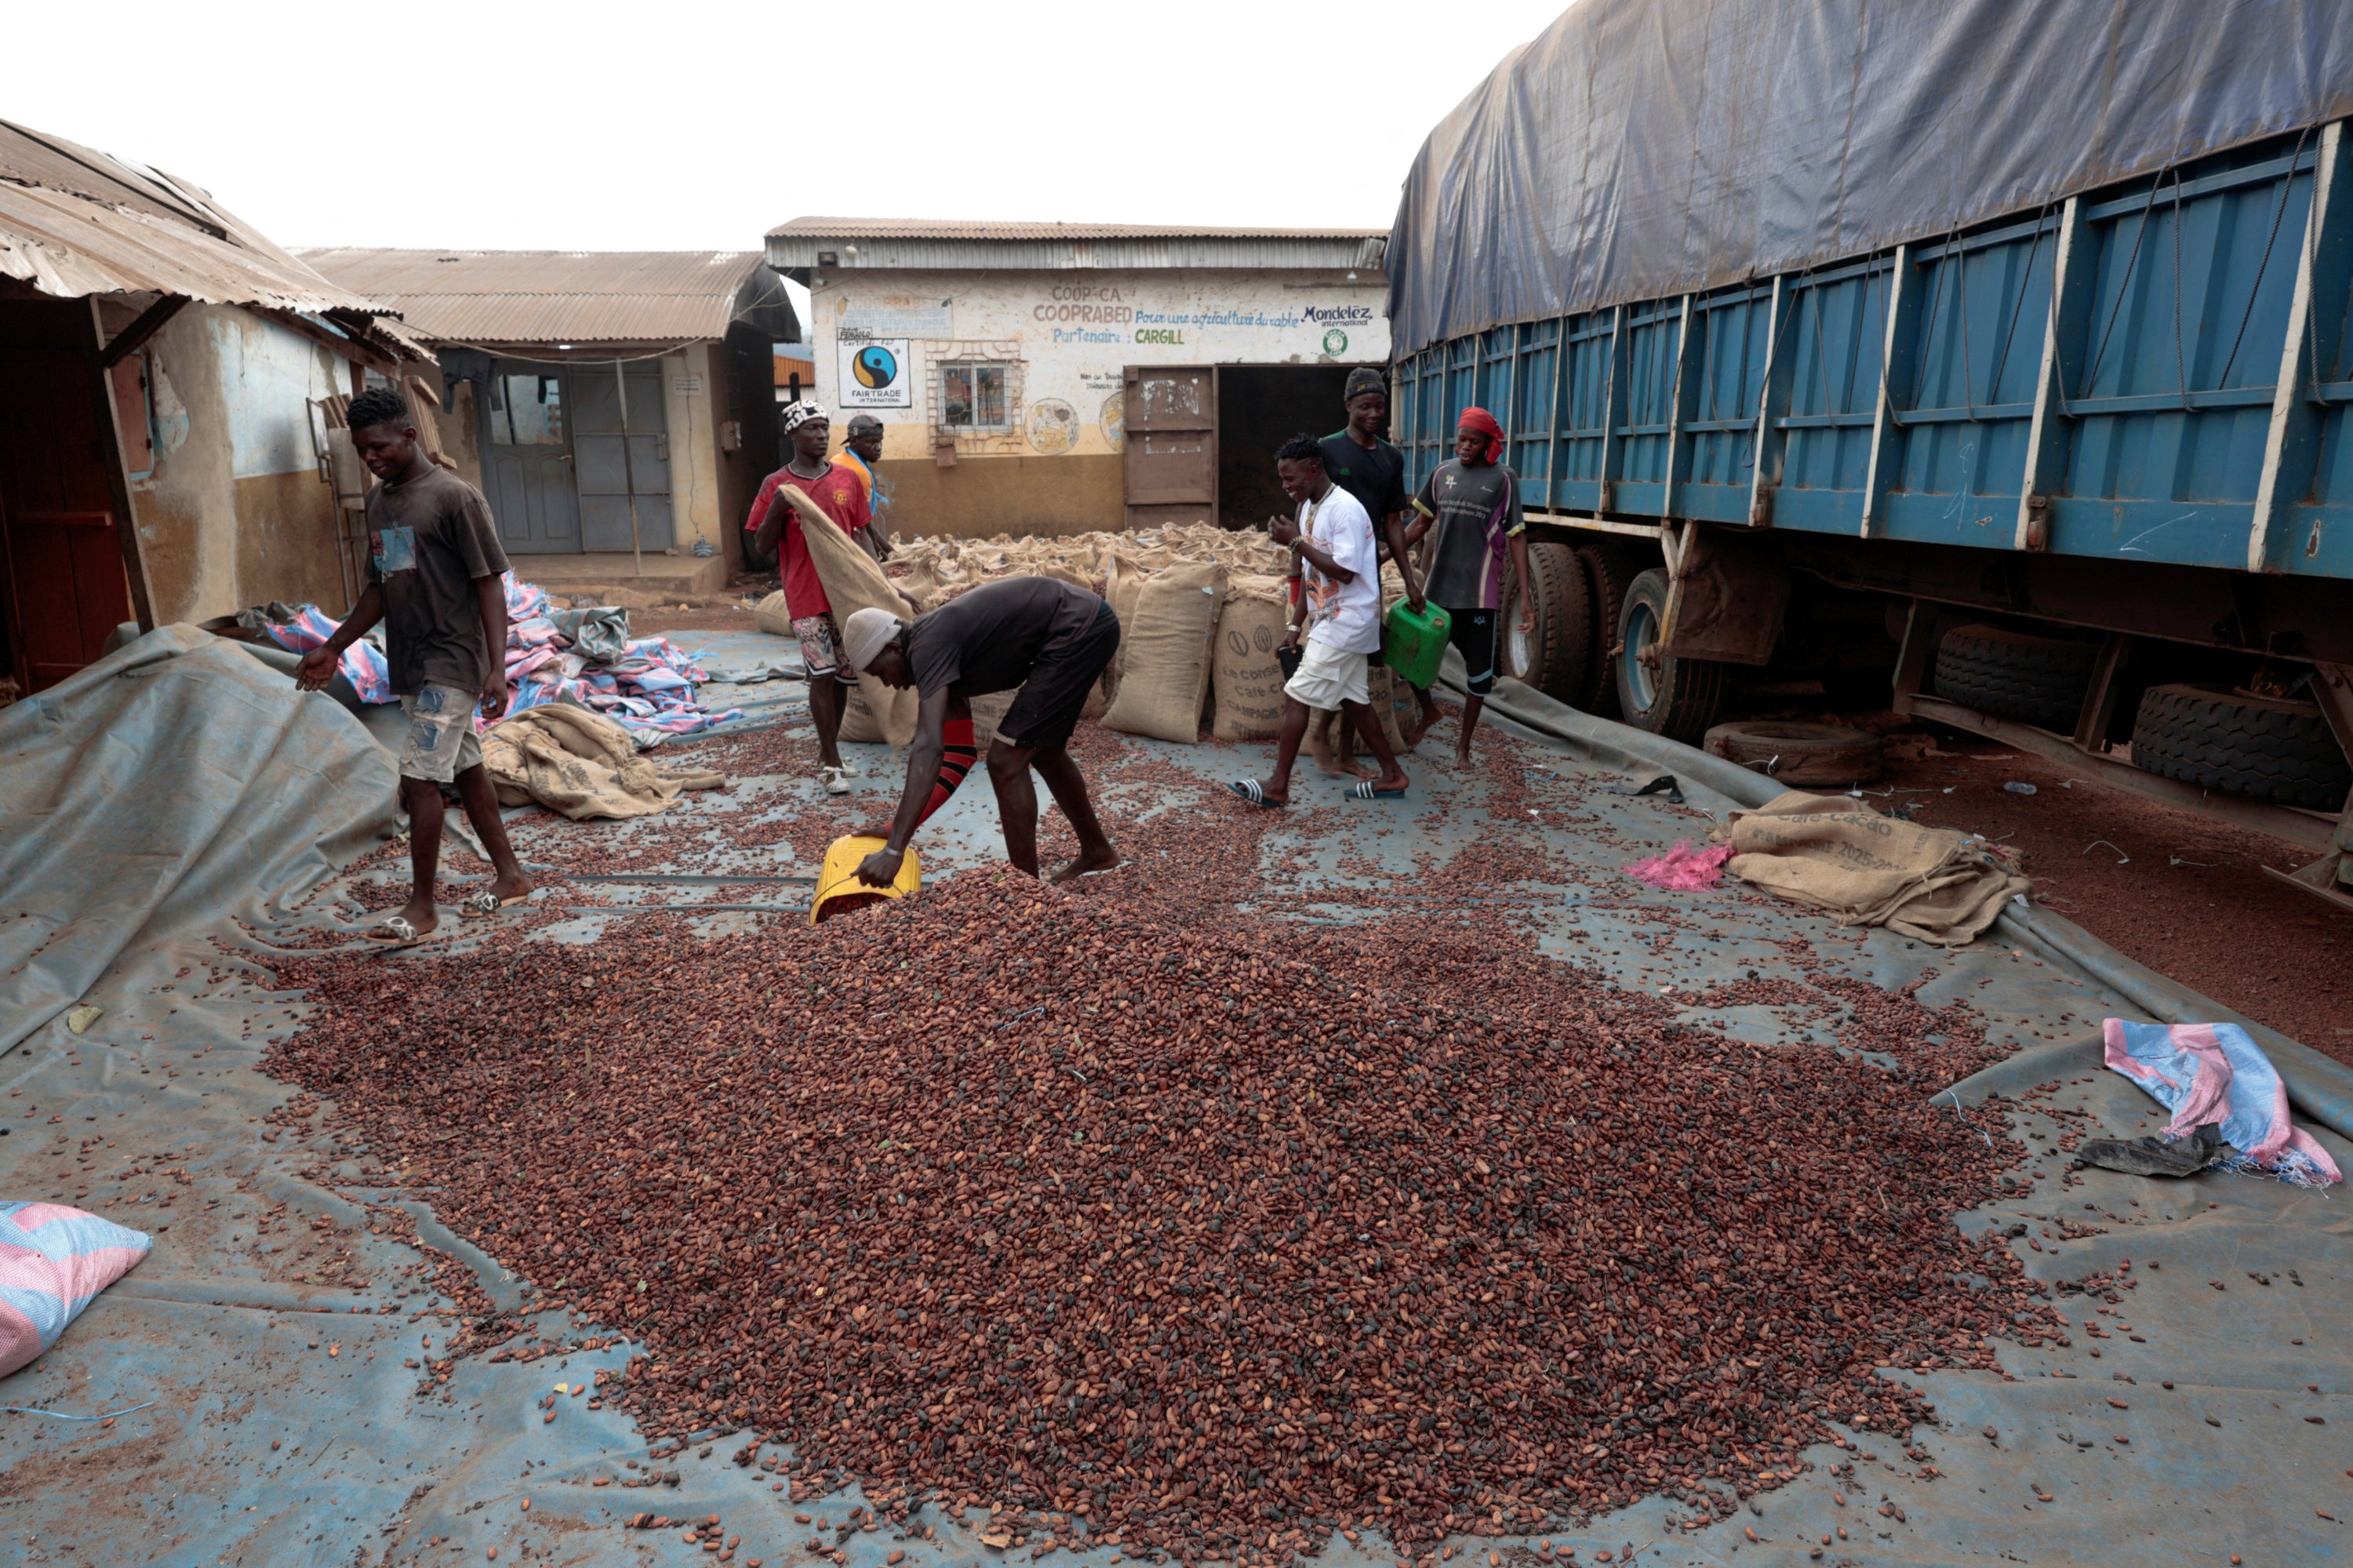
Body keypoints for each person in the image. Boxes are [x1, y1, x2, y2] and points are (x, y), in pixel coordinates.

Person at [295, 387, 532, 944]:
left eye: (378, 446)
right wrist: (335, 645)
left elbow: (488, 585)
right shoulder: (383, 503)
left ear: (410, 435)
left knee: (419, 778)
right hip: (410, 660)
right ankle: (511, 875)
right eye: (360, 450)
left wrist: (496, 667)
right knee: (465, 767)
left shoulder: (454, 498)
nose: (370, 458)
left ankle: (422, 906)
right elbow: (384, 586)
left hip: (452, 659)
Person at [842, 577, 1122, 887]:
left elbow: (928, 748)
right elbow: (958, 755)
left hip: (1078, 628)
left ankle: (1026, 890)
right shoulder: (933, 658)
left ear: (894, 648)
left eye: (880, 672)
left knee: (1005, 761)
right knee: (1044, 752)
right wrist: (897, 828)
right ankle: (1097, 851)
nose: (888, 683)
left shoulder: (928, 646)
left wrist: (895, 849)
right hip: (1080, 628)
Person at [1228, 435, 1409, 807]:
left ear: (1314, 470)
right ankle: (1394, 775)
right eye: (1282, 479)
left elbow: (1343, 572)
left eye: (1290, 478)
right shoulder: (1310, 507)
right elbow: (1314, 575)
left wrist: (1295, 543)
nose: (1286, 486)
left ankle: (1278, 786)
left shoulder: (1345, 510)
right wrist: (1296, 626)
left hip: (1349, 621)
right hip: (1331, 619)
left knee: (1297, 696)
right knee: (1355, 700)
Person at [746, 400, 875, 795]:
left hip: (845, 593)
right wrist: (777, 510)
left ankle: (828, 754)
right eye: (812, 429)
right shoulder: (776, 485)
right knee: (821, 675)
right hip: (805, 594)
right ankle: (831, 762)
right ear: (793, 436)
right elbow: (762, 546)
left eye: (824, 428)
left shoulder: (846, 480)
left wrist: (876, 580)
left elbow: (863, 533)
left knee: (841, 679)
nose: (821, 435)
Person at [1403, 406, 1533, 767]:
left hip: (1479, 595)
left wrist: (1525, 596)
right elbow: (1418, 525)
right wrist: (1382, 555)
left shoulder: (1504, 479)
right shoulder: (1442, 473)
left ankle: (1463, 746)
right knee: (1410, 658)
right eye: (1461, 439)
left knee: (1479, 675)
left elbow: (1517, 537)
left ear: (1488, 445)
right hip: (1438, 591)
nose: (1465, 447)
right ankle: (1429, 712)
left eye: (1473, 441)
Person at [1308, 368, 1425, 768]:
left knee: (1358, 656)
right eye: (1365, 406)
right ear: (1348, 407)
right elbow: (1308, 506)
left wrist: (1408, 580)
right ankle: (1322, 731)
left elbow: (1394, 521)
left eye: (1380, 406)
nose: (1374, 413)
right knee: (1338, 651)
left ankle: (1342, 750)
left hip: (1366, 573)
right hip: (1329, 569)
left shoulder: (1391, 457)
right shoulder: (1327, 449)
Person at [839, 413, 894, 555]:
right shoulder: (858, 472)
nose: (878, 447)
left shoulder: (840, 458)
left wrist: (890, 551)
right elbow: (863, 524)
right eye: (872, 442)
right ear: (854, 441)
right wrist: (883, 552)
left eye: (880, 441)